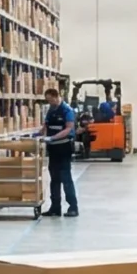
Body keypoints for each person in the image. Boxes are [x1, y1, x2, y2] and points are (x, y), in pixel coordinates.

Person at [39, 85, 80, 217]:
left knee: (66, 178)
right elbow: (45, 125)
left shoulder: (66, 110)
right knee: (54, 179)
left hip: (64, 148)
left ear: (57, 97)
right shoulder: (51, 110)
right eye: (48, 100)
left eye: (51, 100)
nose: (50, 102)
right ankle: (55, 207)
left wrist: (52, 137)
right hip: (53, 149)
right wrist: (38, 134)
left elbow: (69, 128)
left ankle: (73, 207)